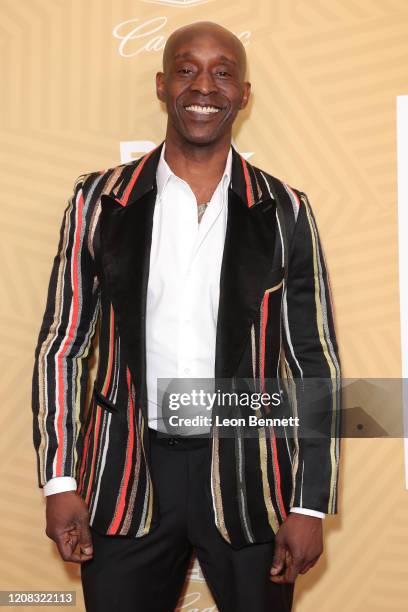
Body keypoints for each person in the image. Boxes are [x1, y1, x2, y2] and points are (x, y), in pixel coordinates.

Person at [32, 20, 341, 612]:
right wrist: (61, 480)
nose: (204, 85)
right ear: (161, 84)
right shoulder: (99, 202)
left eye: (223, 72)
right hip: (125, 476)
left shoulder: (285, 212)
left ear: (243, 94)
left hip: (251, 478)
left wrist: (309, 503)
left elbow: (314, 359)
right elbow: (62, 346)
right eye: (187, 69)